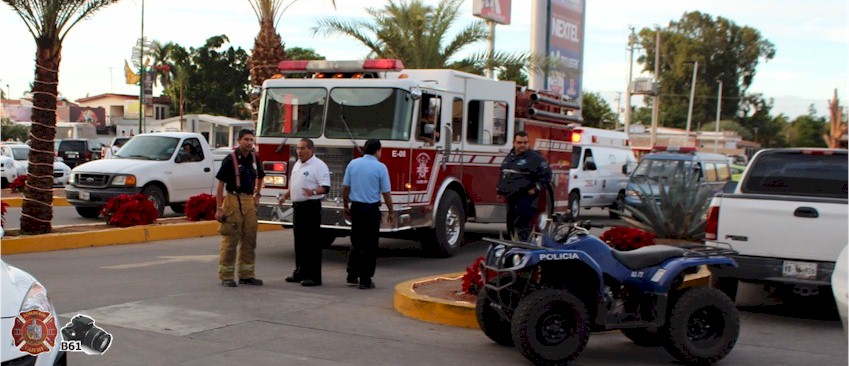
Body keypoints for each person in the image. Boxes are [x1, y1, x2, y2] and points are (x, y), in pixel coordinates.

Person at [214, 129, 265, 287]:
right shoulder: (230, 159)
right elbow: (220, 184)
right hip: (232, 199)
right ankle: (226, 276)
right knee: (231, 238)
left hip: (248, 200)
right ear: (239, 140)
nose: (249, 142)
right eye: (246, 140)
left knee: (250, 237)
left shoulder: (255, 158)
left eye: (251, 140)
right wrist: (219, 208)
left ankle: (246, 275)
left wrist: (257, 194)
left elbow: (261, 176)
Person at [278, 138, 330, 287]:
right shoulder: (298, 164)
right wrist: (285, 196)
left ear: (311, 150)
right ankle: (300, 272)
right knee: (299, 242)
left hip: (311, 207)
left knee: (311, 243)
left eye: (302, 148)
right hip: (298, 207)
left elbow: (325, 187)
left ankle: (313, 277)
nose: (299, 151)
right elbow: (295, 185)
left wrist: (312, 191)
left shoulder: (319, 166)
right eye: (298, 148)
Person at [342, 139, 393, 289]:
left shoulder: (353, 164)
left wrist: (346, 206)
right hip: (371, 210)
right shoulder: (380, 167)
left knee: (356, 243)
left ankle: (352, 275)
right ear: (377, 150)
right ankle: (365, 279)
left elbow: (346, 188)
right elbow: (386, 193)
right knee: (370, 245)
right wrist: (391, 211)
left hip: (356, 208)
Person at [497, 131, 552, 241]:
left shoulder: (535, 158)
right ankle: (514, 251)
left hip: (526, 199)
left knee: (522, 227)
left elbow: (547, 175)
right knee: (511, 226)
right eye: (519, 142)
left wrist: (536, 187)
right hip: (511, 198)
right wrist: (500, 191)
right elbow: (504, 174)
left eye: (525, 142)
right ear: (514, 143)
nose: (522, 145)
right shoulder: (510, 157)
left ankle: (524, 250)